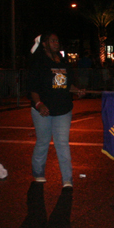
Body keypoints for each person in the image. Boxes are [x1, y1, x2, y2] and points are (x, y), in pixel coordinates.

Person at [29, 32, 85, 188]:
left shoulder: (64, 62)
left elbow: (67, 85)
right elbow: (33, 87)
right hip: (43, 110)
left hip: (63, 109)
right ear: (45, 44)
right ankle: (39, 173)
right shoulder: (39, 62)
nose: (56, 42)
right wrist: (39, 104)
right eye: (52, 40)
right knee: (43, 142)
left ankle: (67, 179)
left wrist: (77, 91)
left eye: (57, 40)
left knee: (62, 143)